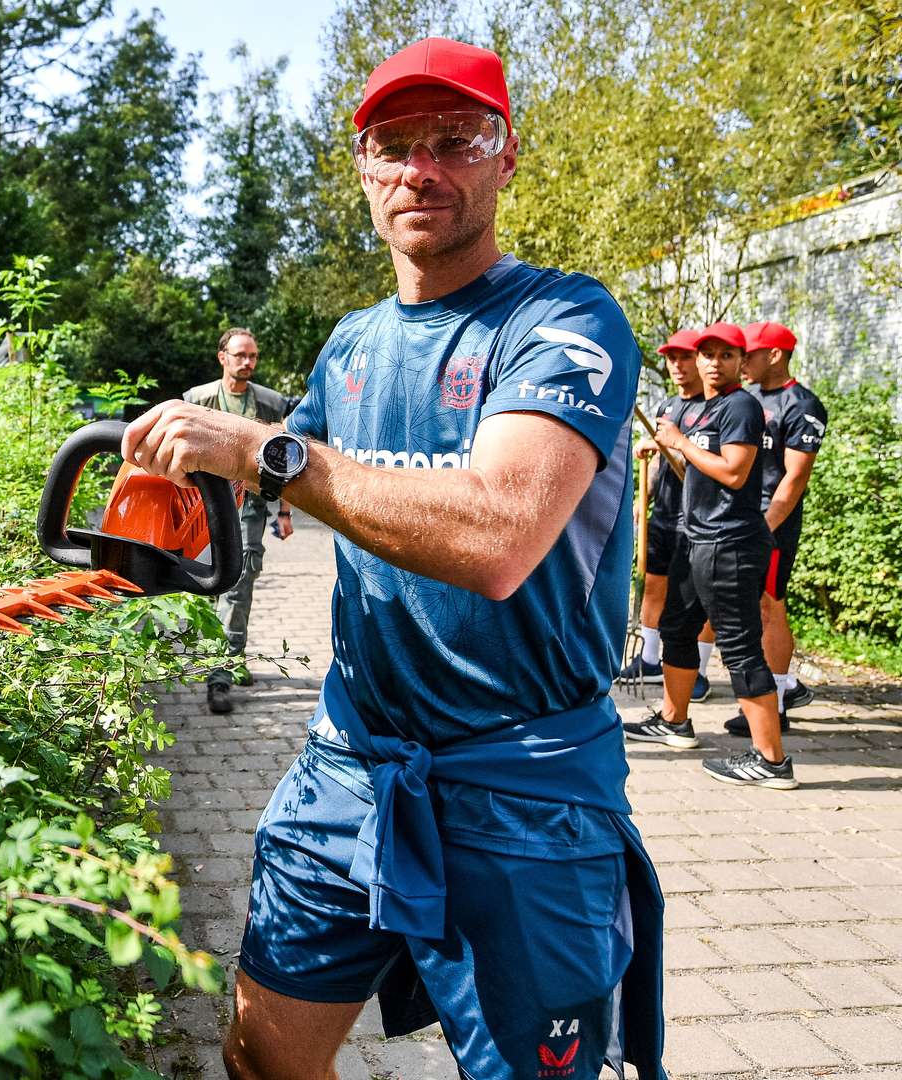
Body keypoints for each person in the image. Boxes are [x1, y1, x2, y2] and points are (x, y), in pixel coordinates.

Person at [118, 37, 663, 1080]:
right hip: (351, 760)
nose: (423, 167)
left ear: (506, 159)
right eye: (394, 144)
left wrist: (265, 453)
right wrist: (169, 502)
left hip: (525, 784)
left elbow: (499, 535)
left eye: (457, 139)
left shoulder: (563, 320)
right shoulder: (352, 344)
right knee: (258, 1053)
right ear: (363, 170)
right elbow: (295, 479)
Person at [625, 323, 794, 788]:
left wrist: (677, 442)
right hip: (696, 538)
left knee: (739, 645)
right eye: (707, 354)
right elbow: (691, 468)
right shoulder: (701, 409)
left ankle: (771, 760)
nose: (713, 363)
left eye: (725, 355)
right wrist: (668, 446)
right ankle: (675, 721)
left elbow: (736, 474)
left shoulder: (741, 406)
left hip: (731, 541)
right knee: (678, 627)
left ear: (741, 362)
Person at [183, 328, 296, 714]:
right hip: (201, 510)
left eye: (253, 356)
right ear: (223, 358)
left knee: (238, 584)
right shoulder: (197, 400)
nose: (247, 362)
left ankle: (221, 674)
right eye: (240, 355)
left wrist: (284, 511)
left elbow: (282, 460)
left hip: (249, 508)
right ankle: (228, 657)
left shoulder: (269, 402)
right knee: (211, 588)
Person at [722, 320, 826, 737]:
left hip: (770, 526)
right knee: (744, 610)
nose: (742, 361)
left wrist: (764, 527)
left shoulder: (801, 405)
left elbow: (795, 478)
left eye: (750, 354)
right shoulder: (747, 400)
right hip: (740, 520)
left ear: (776, 355)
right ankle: (774, 693)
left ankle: (778, 704)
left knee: (769, 607)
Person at [620, 329, 714, 702]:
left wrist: (677, 446)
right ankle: (649, 658)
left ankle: (701, 671)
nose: (676, 365)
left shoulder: (714, 409)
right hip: (666, 514)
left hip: (700, 519)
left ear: (698, 360)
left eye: (684, 357)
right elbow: (661, 461)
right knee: (654, 584)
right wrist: (645, 497)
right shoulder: (666, 408)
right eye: (671, 358)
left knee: (700, 599)